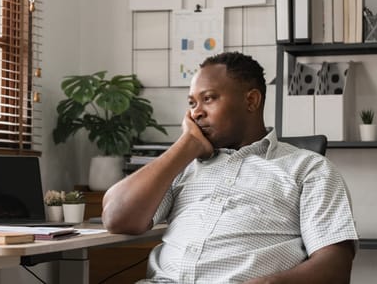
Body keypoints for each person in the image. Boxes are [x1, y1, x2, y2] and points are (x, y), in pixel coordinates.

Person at [102, 51, 358, 283]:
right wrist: (185, 145)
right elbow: (117, 218)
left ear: (251, 101)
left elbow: (335, 267)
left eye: (209, 99)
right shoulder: (183, 166)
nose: (196, 113)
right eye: (192, 103)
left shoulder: (309, 169)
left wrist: (272, 283)